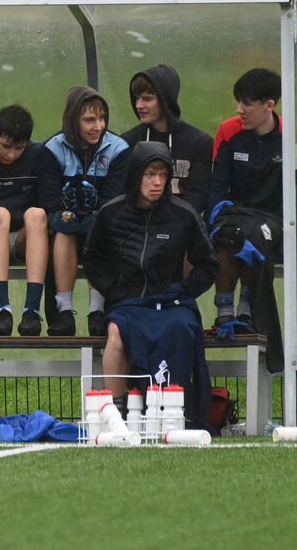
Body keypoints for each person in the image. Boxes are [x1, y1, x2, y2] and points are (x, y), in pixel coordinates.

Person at [83, 141, 219, 424]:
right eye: (149, 174)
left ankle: (178, 411)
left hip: (172, 303)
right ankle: (117, 414)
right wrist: (115, 290)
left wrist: (183, 290)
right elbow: (93, 261)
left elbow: (208, 264)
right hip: (127, 303)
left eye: (163, 175)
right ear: (136, 174)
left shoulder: (183, 215)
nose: (157, 182)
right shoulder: (110, 213)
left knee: (182, 328)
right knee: (117, 333)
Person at [207, 68, 284, 367]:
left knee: (255, 235)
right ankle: (224, 311)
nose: (239, 110)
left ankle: (247, 307)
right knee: (229, 235)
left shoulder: (286, 135)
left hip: (271, 221)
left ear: (269, 105)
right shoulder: (228, 131)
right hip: (233, 215)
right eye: (238, 102)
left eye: (247, 103)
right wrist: (214, 221)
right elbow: (216, 185)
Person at [43, 86, 131, 336]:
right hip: (66, 227)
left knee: (100, 224)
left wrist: (86, 211)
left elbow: (112, 200)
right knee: (64, 229)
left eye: (102, 118)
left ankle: (97, 311)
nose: (98, 126)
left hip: (100, 228)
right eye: (89, 119)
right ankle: (64, 311)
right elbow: (48, 200)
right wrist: (73, 211)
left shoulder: (119, 149)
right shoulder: (53, 148)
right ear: (73, 119)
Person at [0, 104, 61, 336]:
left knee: (38, 214)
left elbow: (47, 202)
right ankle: (2, 309)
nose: (11, 154)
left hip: (24, 236)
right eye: (6, 146)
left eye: (19, 148)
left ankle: (32, 311)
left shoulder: (39, 155)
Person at [119, 63, 213, 215]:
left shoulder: (199, 143)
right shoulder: (127, 142)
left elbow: (198, 195)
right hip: (137, 224)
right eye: (137, 98)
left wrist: (171, 226)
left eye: (147, 99)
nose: (139, 105)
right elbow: (122, 193)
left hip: (181, 225)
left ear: (166, 100)